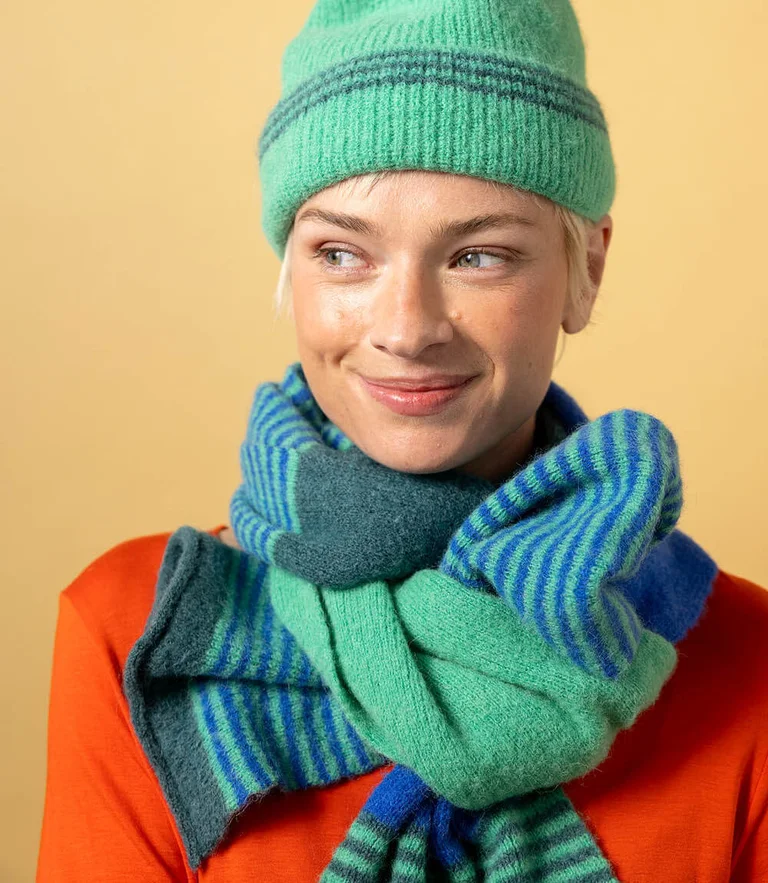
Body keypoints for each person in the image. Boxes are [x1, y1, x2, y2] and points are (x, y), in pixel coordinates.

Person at [37, 0, 768, 880]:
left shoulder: (744, 662)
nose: (407, 327)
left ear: (588, 271)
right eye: (343, 254)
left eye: (478, 255)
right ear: (293, 272)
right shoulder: (143, 635)